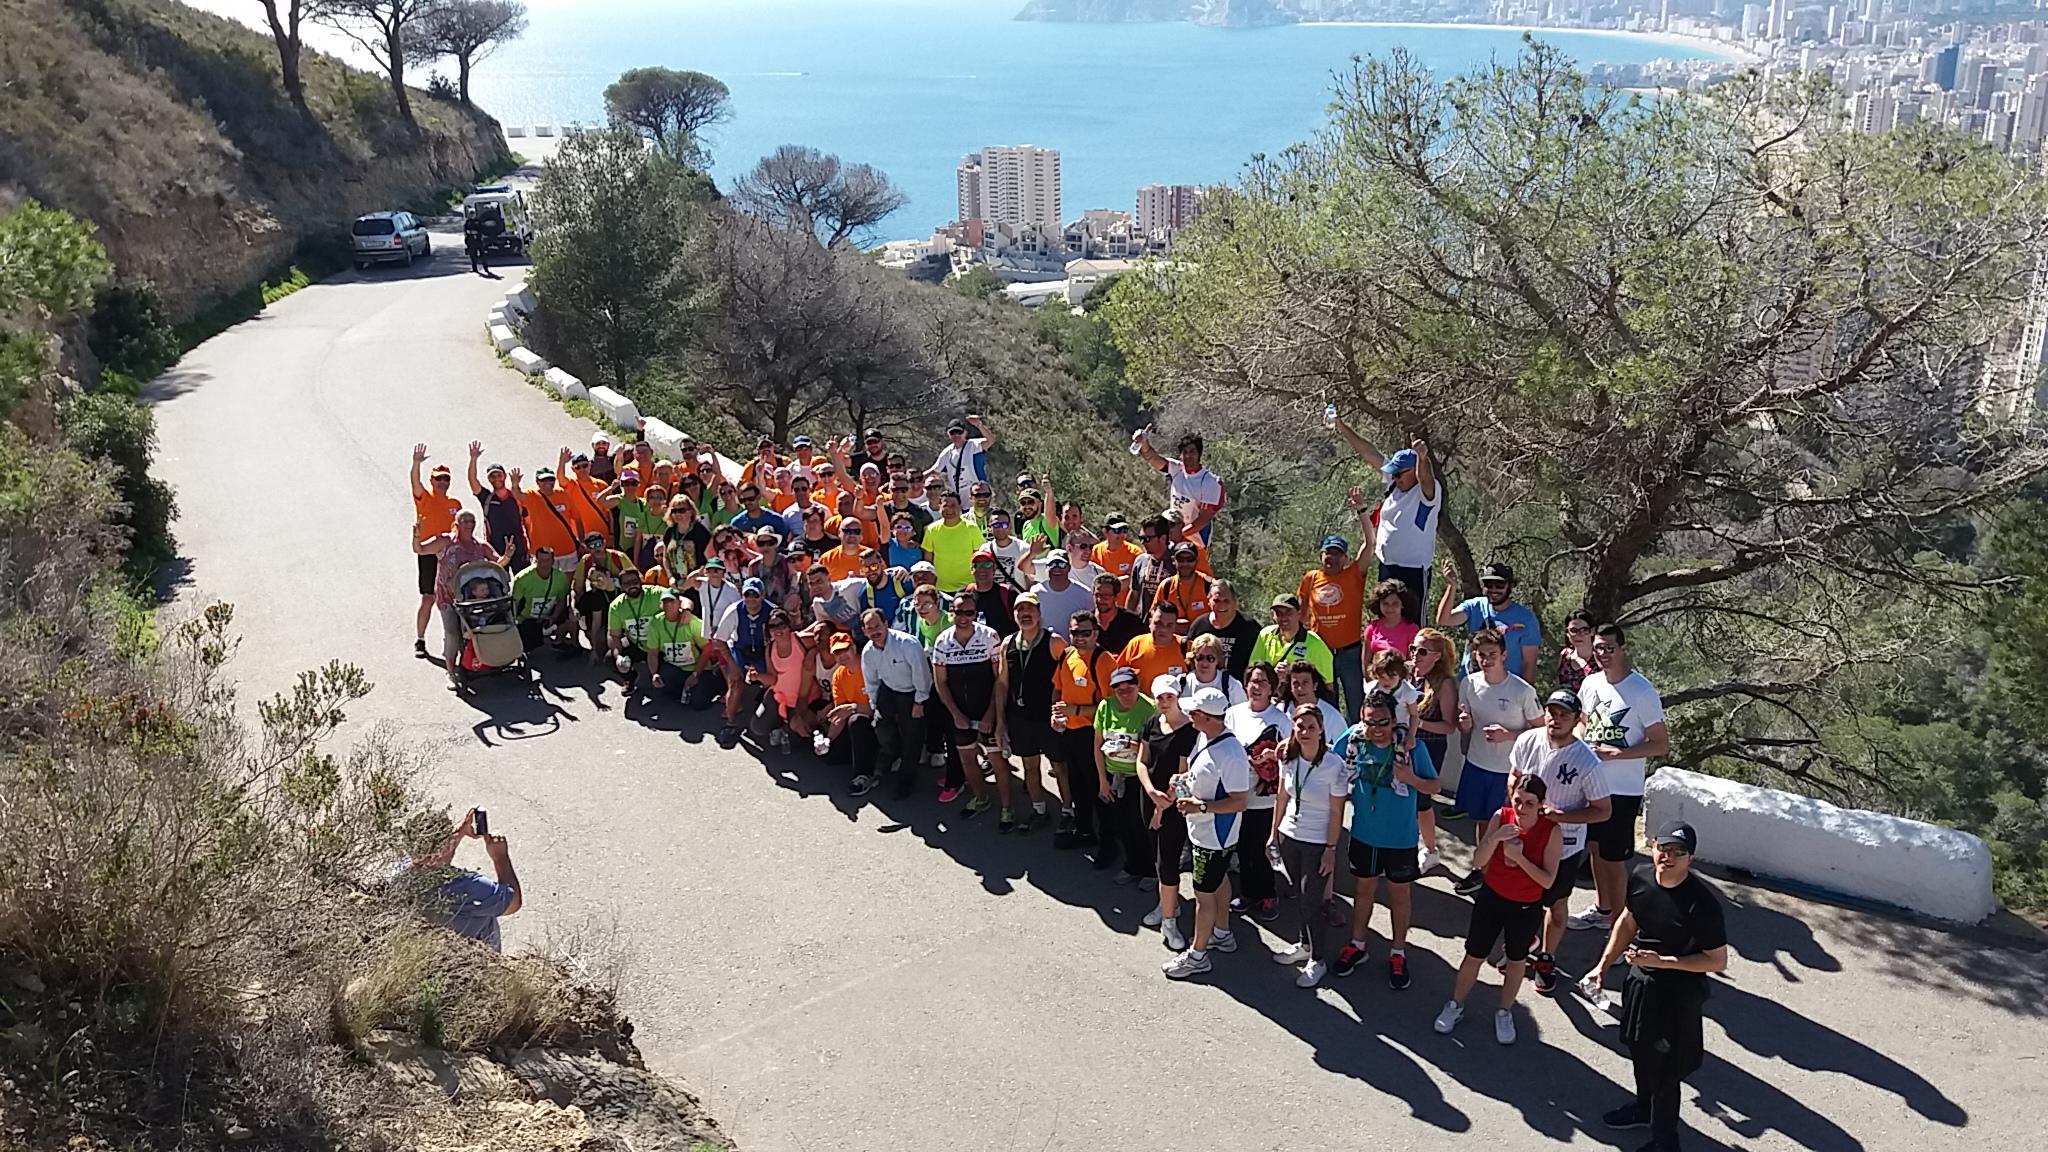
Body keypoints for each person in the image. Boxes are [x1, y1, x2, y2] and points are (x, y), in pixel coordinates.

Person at [1587, 823, 1728, 1152]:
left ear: (1690, 858)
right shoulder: (1641, 876)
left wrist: (1667, 961)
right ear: (1652, 846)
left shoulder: (1702, 904)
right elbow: (1628, 919)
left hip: (1677, 995)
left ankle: (1666, 1142)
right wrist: (1603, 965)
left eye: (1678, 852)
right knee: (1639, 1053)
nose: (1668, 856)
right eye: (1663, 848)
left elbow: (1716, 960)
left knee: (1665, 1071)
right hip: (1640, 984)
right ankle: (1643, 1109)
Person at [1432, 776, 1563, 1046]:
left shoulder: (1552, 831)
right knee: (1474, 955)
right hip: (1492, 898)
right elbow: (1479, 862)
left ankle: (1504, 1011)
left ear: (1541, 805)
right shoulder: (1501, 817)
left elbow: (1548, 880)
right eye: (1518, 800)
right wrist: (1495, 839)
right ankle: (1456, 1004)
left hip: (1526, 906)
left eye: (1529, 803)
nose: (1522, 808)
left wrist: (1519, 858)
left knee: (1516, 960)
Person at [1332, 691, 1440, 989]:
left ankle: (1397, 951)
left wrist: (1412, 780)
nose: (1376, 729)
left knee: (1399, 895)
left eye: (1383, 722)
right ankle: (1358, 944)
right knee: (1363, 889)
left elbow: (1435, 784)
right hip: (1364, 834)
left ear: (1394, 721)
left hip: (1401, 838)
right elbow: (1328, 759)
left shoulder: (1410, 747)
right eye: (1370, 722)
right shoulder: (1354, 740)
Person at [1571, 623, 1670, 934]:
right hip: (1592, 782)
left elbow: (1661, 744)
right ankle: (1603, 910)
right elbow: (1583, 723)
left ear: (1623, 649)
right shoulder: (1590, 684)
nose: (1603, 655)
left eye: (1609, 649)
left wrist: (1617, 754)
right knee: (1596, 850)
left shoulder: (1642, 691)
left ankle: (1621, 927)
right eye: (1598, 648)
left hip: (1623, 789)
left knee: (1614, 859)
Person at [1510, 688, 1610, 993]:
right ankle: (1522, 945)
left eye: (1564, 714)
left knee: (1555, 901)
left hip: (1564, 846)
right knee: (1521, 898)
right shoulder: (1528, 740)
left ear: (1577, 719)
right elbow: (1514, 777)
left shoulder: (1586, 761)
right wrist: (1518, 814)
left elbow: (1603, 811)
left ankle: (1546, 957)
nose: (1556, 718)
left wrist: (1560, 816)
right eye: (1552, 711)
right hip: (1526, 837)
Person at [1161, 686, 1252, 979]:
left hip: (1215, 836)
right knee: (1218, 882)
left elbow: (1240, 801)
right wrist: (1183, 779)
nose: (1188, 715)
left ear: (1206, 716)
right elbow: (1201, 773)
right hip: (1204, 831)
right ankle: (1223, 934)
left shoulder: (1232, 754)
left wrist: (1200, 807)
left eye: (1193, 712)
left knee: (1204, 896)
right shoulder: (1205, 736)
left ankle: (1198, 954)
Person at [1267, 703, 1348, 987]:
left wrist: (1331, 848)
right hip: (1290, 835)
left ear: (1321, 729)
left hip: (1317, 842)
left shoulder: (1334, 765)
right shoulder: (1288, 757)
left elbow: (1337, 812)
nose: (1305, 732)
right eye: (1300, 726)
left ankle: (1318, 959)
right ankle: (1304, 945)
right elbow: (1281, 797)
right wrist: (1273, 834)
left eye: (1311, 727)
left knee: (1311, 900)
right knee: (1299, 896)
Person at [1333, 418, 1440, 601]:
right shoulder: (1393, 485)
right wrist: (1341, 426)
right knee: (1385, 619)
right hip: (1387, 567)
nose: (1395, 478)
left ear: (1414, 471)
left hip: (1413, 571)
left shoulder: (1426, 493)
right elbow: (1369, 453)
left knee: (1412, 624)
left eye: (1399, 474)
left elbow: (1426, 477)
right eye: (1394, 473)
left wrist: (1423, 458)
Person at [1452, 627, 1543, 823]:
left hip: (1508, 770)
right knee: (1480, 822)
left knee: (1505, 824)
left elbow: (1541, 731)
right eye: (1481, 655)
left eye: (1492, 654)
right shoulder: (1469, 684)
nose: (1486, 660)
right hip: (1476, 764)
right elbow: (1464, 726)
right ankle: (1481, 855)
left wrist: (1509, 735)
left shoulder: (1523, 690)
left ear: (1504, 655)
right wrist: (1465, 724)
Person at [414, 510, 511, 689]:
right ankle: (451, 671)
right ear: (456, 524)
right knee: (452, 634)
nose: (469, 524)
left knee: (478, 631)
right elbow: (419, 549)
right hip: (448, 598)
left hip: (473, 600)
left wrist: (508, 555)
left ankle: (483, 660)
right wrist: (417, 534)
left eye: (472, 521)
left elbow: (497, 563)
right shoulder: (445, 542)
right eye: (464, 521)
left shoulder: (480, 545)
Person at [1223, 663, 1290, 921]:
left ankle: (1268, 894)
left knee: (1262, 849)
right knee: (1243, 849)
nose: (1257, 687)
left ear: (1272, 688)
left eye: (1263, 682)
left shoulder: (1281, 720)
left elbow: (1291, 759)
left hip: (1266, 798)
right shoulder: (1233, 714)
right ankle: (1248, 893)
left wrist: (1274, 757)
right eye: (1253, 681)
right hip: (1238, 794)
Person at [1137, 676, 1200, 948]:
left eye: (1169, 697)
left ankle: (1170, 923)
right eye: (1160, 697)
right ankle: (1167, 905)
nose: (1164, 702)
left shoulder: (1189, 731)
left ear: (1177, 697)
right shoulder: (1152, 723)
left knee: (1169, 862)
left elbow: (1183, 774)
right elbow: (1142, 761)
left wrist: (1163, 805)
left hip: (1173, 805)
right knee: (1155, 855)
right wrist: (1151, 792)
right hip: (1150, 798)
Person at [931, 589, 1004, 818]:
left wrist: (991, 715)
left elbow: (999, 680)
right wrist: (955, 714)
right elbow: (941, 683)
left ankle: (1007, 807)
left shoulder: (989, 636)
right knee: (967, 759)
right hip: (960, 711)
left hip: (986, 709)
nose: (964, 617)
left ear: (975, 613)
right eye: (958, 612)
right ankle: (981, 799)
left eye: (969, 612)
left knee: (996, 760)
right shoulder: (943, 641)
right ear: (951, 612)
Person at [993, 592, 1062, 833]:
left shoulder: (1054, 642)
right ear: (1014, 615)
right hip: (1020, 718)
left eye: (1030, 609)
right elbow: (1002, 684)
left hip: (1048, 719)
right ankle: (1039, 809)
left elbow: (1067, 679)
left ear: (1039, 613)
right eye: (1020, 610)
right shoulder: (1007, 644)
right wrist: (1001, 722)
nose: (1025, 614)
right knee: (1029, 766)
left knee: (1060, 766)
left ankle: (1069, 812)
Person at [1299, 515, 1374, 725]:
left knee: (1356, 703)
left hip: (1350, 652)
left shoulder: (1354, 575)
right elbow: (1301, 614)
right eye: (1327, 553)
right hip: (1321, 652)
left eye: (1337, 554)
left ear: (1345, 558)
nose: (1331, 558)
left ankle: (1357, 742)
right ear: (1321, 556)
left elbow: (1370, 543)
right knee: (1326, 704)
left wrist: (1361, 510)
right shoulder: (1311, 578)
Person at [1052, 610, 1117, 849]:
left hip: (1093, 735)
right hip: (1070, 732)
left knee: (1099, 788)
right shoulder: (1067, 655)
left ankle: (1108, 842)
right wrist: (1056, 713)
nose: (1079, 638)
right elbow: (1057, 688)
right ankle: (1085, 831)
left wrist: (1076, 711)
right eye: (1074, 632)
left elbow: (1111, 705)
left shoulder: (1103, 660)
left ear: (1096, 633)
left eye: (1085, 633)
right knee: (1077, 785)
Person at [416, 808, 521, 950]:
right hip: (475, 960)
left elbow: (434, 857)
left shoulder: (400, 872)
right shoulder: (465, 887)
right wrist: (500, 858)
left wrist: (459, 833)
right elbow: (513, 903)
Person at [859, 608, 933, 799]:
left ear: (886, 624)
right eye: (869, 628)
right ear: (864, 631)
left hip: (913, 691)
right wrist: (874, 704)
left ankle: (906, 782)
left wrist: (920, 702)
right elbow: (871, 681)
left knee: (912, 737)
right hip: (889, 690)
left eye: (877, 626)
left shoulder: (907, 644)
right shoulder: (868, 651)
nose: (874, 631)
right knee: (880, 725)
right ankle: (893, 755)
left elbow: (922, 676)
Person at [1094, 666, 1159, 881]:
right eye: (1119, 690)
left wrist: (1130, 746)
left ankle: (1150, 871)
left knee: (1140, 825)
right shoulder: (1105, 706)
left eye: (1129, 688)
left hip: (1138, 778)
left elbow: (1155, 748)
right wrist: (1103, 781)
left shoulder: (1150, 709)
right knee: (1122, 825)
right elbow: (1097, 745)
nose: (1125, 694)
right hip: (1114, 776)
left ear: (1138, 686)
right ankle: (1132, 866)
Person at [1408, 628, 1461, 875]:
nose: (1415, 655)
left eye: (1422, 651)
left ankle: (1430, 850)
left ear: (1437, 656)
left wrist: (1418, 722)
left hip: (1429, 746)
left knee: (1421, 799)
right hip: (1404, 743)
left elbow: (1449, 726)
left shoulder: (1445, 684)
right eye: (1413, 649)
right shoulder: (1408, 674)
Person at [1437, 560, 1543, 680]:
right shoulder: (1475, 606)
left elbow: (1529, 664)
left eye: (1499, 585)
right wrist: (1452, 586)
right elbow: (1444, 620)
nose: (1493, 589)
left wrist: (1524, 695)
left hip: (1505, 691)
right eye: (1488, 584)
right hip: (1470, 687)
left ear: (1511, 586)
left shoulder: (1526, 618)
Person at [410, 445, 463, 658]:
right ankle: (420, 640)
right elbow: (415, 482)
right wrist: (416, 463)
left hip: (450, 555)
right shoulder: (425, 498)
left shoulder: (455, 503)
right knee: (428, 597)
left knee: (454, 597)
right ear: (432, 481)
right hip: (429, 553)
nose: (442, 482)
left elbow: (459, 529)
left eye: (446, 479)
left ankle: (456, 639)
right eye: (438, 479)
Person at [1133, 429, 1225, 544]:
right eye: (1185, 452)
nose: (1188, 455)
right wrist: (1144, 443)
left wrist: (1181, 534)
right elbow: (1153, 459)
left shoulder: (1210, 482)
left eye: (1192, 452)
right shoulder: (1177, 469)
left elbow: (1204, 519)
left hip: (1196, 539)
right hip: (1172, 535)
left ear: (1199, 454)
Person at [713, 578, 773, 749]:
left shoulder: (772, 611)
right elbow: (720, 640)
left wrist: (771, 665)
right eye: (748, 595)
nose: (751, 599)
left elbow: (778, 639)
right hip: (741, 650)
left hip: (764, 651)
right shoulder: (734, 611)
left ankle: (773, 720)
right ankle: (730, 722)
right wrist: (732, 665)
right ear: (742, 595)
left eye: (755, 595)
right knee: (735, 682)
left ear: (762, 595)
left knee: (773, 680)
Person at [642, 589, 716, 706]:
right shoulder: (656, 622)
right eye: (665, 601)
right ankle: (683, 691)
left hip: (697, 668)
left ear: (679, 603)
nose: (668, 605)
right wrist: (654, 673)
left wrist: (695, 674)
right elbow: (652, 652)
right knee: (663, 690)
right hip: (674, 667)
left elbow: (707, 649)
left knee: (698, 704)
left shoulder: (693, 622)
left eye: (671, 601)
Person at [821, 634, 876, 783]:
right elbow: (840, 714)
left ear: (853, 648)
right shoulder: (838, 675)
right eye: (837, 653)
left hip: (880, 722)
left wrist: (853, 708)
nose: (841, 656)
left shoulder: (869, 667)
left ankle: (864, 775)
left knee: (856, 720)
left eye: (844, 650)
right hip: (856, 722)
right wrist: (829, 740)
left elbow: (881, 707)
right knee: (830, 757)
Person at [572, 532, 634, 663]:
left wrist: (613, 583)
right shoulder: (586, 561)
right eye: (592, 545)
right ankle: (577, 644)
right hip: (599, 599)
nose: (597, 548)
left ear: (605, 543)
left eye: (599, 544)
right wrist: (573, 607)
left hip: (620, 596)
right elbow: (576, 588)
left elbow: (637, 580)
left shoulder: (619, 557)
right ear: (587, 548)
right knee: (580, 610)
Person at [1248, 595, 1335, 687]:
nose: (1284, 617)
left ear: (1299, 614)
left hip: (1302, 698)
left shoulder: (1315, 644)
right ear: (1273, 616)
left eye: (1289, 612)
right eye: (1278, 613)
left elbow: (1328, 684)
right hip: (1271, 696)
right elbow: (1252, 670)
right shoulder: (1265, 635)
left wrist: (1293, 674)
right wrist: (1272, 674)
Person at [467, 443, 528, 573]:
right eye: (492, 476)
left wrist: (531, 544)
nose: (496, 479)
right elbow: (472, 481)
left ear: (504, 476)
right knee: (499, 587)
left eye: (499, 475)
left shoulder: (515, 496)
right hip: (495, 550)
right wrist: (473, 458)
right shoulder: (487, 498)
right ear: (488, 479)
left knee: (522, 585)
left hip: (519, 547)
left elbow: (528, 521)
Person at [604, 567, 665, 692]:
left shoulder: (656, 593)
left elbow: (680, 599)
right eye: (626, 583)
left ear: (641, 581)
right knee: (610, 659)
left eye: (635, 582)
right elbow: (614, 635)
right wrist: (618, 656)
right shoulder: (616, 606)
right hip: (637, 644)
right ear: (621, 587)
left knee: (667, 684)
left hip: (660, 646)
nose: (632, 586)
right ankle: (631, 677)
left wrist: (686, 609)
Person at [1187, 579, 1260, 682]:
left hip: (1238, 691)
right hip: (1203, 687)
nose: (1221, 605)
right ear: (1209, 600)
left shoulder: (1249, 627)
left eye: (1226, 601)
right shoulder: (1199, 626)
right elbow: (1190, 659)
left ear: (1235, 602)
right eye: (1216, 601)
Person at [517, 467, 588, 571]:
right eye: (543, 480)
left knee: (568, 581)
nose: (548, 483)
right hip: (542, 553)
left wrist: (581, 541)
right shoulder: (532, 495)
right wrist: (515, 484)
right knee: (544, 582)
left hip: (567, 549)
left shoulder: (563, 494)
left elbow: (577, 518)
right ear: (537, 482)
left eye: (551, 479)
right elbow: (518, 494)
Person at [511, 547, 574, 655]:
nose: (544, 564)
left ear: (553, 561)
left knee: (569, 611)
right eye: (541, 561)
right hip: (526, 618)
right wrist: (514, 623)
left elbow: (561, 600)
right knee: (529, 647)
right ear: (536, 561)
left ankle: (559, 641)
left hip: (548, 614)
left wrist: (554, 617)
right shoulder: (523, 578)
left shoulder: (561, 577)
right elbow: (515, 603)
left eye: (547, 560)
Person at [922, 491, 984, 593]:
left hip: (968, 587)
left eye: (953, 505)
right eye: (945, 505)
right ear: (939, 507)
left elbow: (979, 557)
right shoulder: (931, 530)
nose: (949, 509)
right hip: (941, 588)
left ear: (960, 507)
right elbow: (928, 560)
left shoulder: (972, 528)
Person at [1118, 602, 1187, 691]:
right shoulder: (1136, 644)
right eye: (1158, 623)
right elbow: (1119, 675)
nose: (1163, 629)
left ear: (1175, 626)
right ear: (1150, 622)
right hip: (1141, 703)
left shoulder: (1186, 647)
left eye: (1169, 625)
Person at [1028, 550, 1093, 641]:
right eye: (1052, 565)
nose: (1057, 569)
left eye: (1061, 565)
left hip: (1074, 649)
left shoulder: (1085, 593)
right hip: (1043, 647)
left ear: (1069, 568)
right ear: (1046, 568)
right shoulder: (1036, 592)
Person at [931, 414, 994, 505]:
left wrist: (979, 425)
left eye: (959, 432)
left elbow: (990, 440)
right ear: (948, 435)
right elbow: (934, 470)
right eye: (953, 433)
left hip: (979, 497)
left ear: (965, 433)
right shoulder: (947, 452)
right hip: (961, 502)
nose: (956, 435)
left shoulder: (973, 445)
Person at [1155, 543, 1215, 634]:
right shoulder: (1166, 585)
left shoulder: (1209, 584)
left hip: (1201, 641)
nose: (1185, 563)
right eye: (1181, 560)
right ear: (1173, 560)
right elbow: (1154, 612)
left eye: (1190, 560)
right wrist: (1172, 624)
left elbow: (1221, 614)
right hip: (1173, 640)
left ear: (1197, 561)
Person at [1174, 633, 1245, 706]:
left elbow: (1241, 714)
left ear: (1218, 659)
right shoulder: (1181, 682)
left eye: (1210, 658)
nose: (1204, 663)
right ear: (1193, 658)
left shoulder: (1231, 686)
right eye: (1200, 657)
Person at [963, 549, 1018, 637]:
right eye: (977, 565)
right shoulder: (965, 594)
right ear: (972, 570)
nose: (982, 569)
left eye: (987, 564)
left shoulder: (1008, 594)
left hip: (1002, 647)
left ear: (994, 569)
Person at [1364, 577, 1420, 658]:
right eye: (1385, 603)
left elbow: (1413, 661)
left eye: (1395, 604)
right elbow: (1366, 662)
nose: (1390, 608)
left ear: (1403, 604)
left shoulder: (1412, 630)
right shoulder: (1372, 628)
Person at [1091, 572, 1145, 654]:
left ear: (1116, 597)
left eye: (1106, 596)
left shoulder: (1133, 623)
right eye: (1097, 595)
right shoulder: (1087, 623)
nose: (1100, 600)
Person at [1091, 518, 1142, 592]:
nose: (1122, 534)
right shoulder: (1095, 551)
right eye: (1117, 530)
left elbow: (1134, 580)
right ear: (1105, 531)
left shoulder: (1135, 552)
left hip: (1125, 603)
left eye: (1124, 530)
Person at [1557, 608, 1598, 693]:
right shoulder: (1565, 656)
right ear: (1567, 633)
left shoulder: (1600, 658)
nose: (1578, 635)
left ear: (1592, 631)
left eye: (1584, 630)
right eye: (1573, 630)